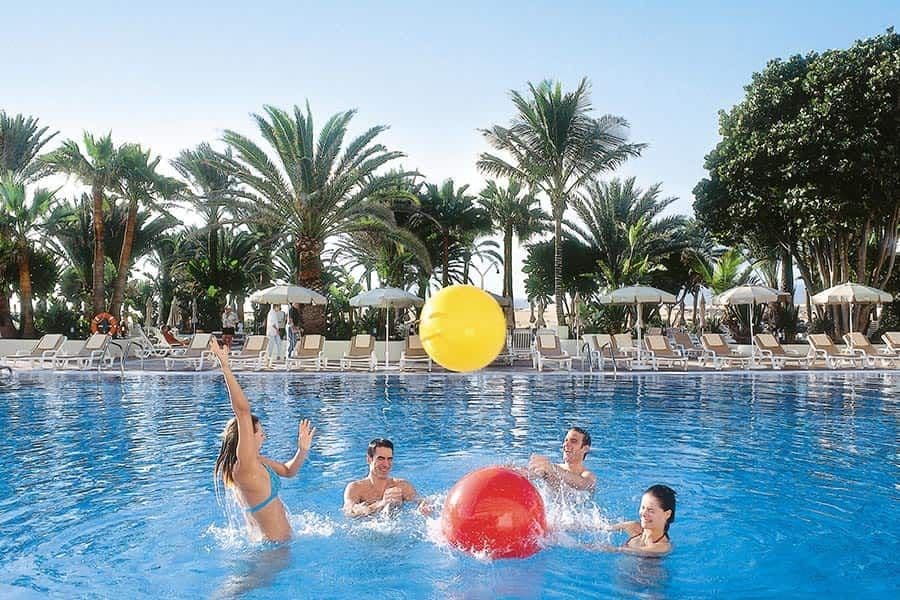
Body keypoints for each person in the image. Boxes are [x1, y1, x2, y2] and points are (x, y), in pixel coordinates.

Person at [210, 338, 316, 542]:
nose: (264, 435)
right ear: (247, 436)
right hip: (270, 551)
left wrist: (302, 450)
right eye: (259, 432)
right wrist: (225, 367)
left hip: (278, 547)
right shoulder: (245, 465)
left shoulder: (257, 462)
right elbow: (242, 411)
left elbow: (288, 471)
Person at [343, 438, 419, 517]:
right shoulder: (355, 488)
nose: (386, 464)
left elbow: (419, 502)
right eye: (380, 459)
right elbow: (349, 512)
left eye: (389, 459)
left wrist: (423, 506)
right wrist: (381, 503)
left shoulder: (402, 486)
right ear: (369, 459)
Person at [599, 484, 676, 556]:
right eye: (643, 508)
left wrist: (598, 547)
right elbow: (602, 528)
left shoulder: (662, 547)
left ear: (667, 514)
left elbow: (624, 550)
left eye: (650, 510)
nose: (643, 513)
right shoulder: (633, 527)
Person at [527, 427, 596, 491]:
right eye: (566, 440)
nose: (566, 444)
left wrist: (552, 468)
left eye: (573, 441)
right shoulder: (551, 468)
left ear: (585, 449)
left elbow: (583, 484)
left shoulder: (587, 475)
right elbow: (530, 475)